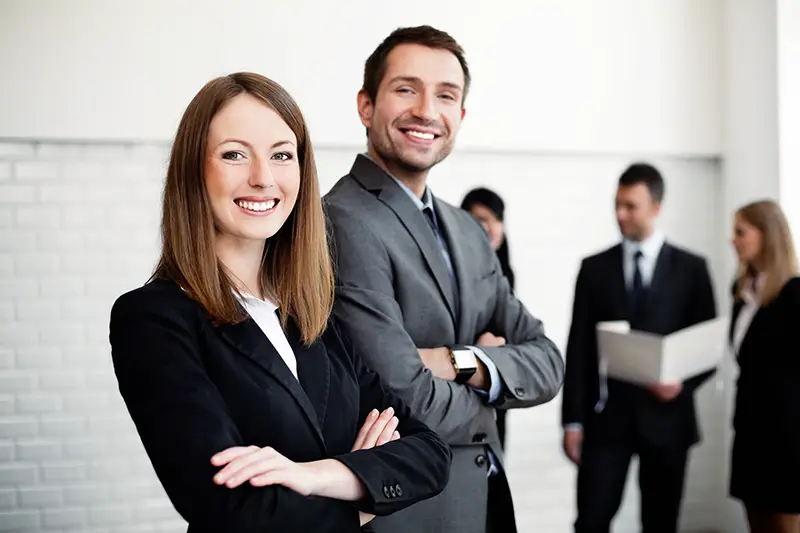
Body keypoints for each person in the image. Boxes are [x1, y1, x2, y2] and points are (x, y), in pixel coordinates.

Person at [108, 72, 451, 533]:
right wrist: (361, 491)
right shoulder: (153, 319)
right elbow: (230, 507)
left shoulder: (312, 315)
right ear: (193, 170)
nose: (262, 178)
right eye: (234, 154)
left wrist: (312, 475)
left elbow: (429, 452)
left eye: (282, 156)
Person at [324, 25, 564, 533]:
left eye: (446, 95)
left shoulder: (466, 229)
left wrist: (462, 361)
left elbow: (547, 359)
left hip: (487, 498)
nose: (427, 111)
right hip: (412, 511)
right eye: (406, 89)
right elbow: (399, 393)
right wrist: (494, 396)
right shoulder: (342, 219)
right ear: (366, 106)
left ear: (461, 115)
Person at [560, 162, 717, 533]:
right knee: (591, 520)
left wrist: (682, 384)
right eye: (617, 204)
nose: (620, 214)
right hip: (606, 421)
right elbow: (579, 348)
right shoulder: (594, 268)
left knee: (661, 524)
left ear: (656, 208)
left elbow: (708, 346)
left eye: (631, 206)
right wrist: (572, 421)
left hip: (668, 421)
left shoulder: (693, 269)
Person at [728, 200, 800, 533]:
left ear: (767, 235)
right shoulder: (742, 294)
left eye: (741, 232)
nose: (733, 240)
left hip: (787, 440)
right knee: (757, 524)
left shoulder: (794, 295)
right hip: (751, 434)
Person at [461, 187, 515, 448]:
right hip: (461, 385)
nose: (491, 228)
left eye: (496, 219)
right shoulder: (453, 275)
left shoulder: (506, 273)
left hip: (495, 384)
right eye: (481, 219)